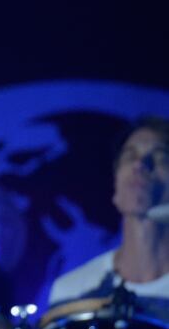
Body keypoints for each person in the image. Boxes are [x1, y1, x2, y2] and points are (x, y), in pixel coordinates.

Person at [48, 116, 169, 317]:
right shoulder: (71, 293)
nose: (140, 165)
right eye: (130, 157)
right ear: (116, 186)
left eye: (160, 158)